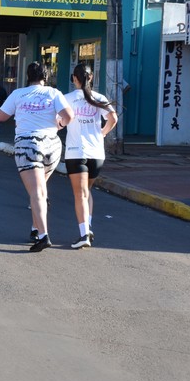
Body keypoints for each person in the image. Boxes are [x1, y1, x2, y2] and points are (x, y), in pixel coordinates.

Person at [0, 61, 73, 252]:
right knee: (40, 190)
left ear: (27, 77)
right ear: (45, 77)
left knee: (36, 192)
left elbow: (0, 117)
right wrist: (60, 125)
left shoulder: (18, 94)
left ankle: (44, 235)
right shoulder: (54, 93)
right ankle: (35, 228)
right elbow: (69, 116)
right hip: (53, 146)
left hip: (28, 144)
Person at [64, 63, 118, 249]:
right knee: (86, 192)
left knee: (80, 194)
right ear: (91, 77)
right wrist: (102, 133)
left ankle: (84, 235)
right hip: (96, 153)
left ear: (74, 78)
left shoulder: (68, 99)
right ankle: (88, 226)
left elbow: (59, 121)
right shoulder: (100, 97)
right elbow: (114, 118)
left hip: (75, 152)